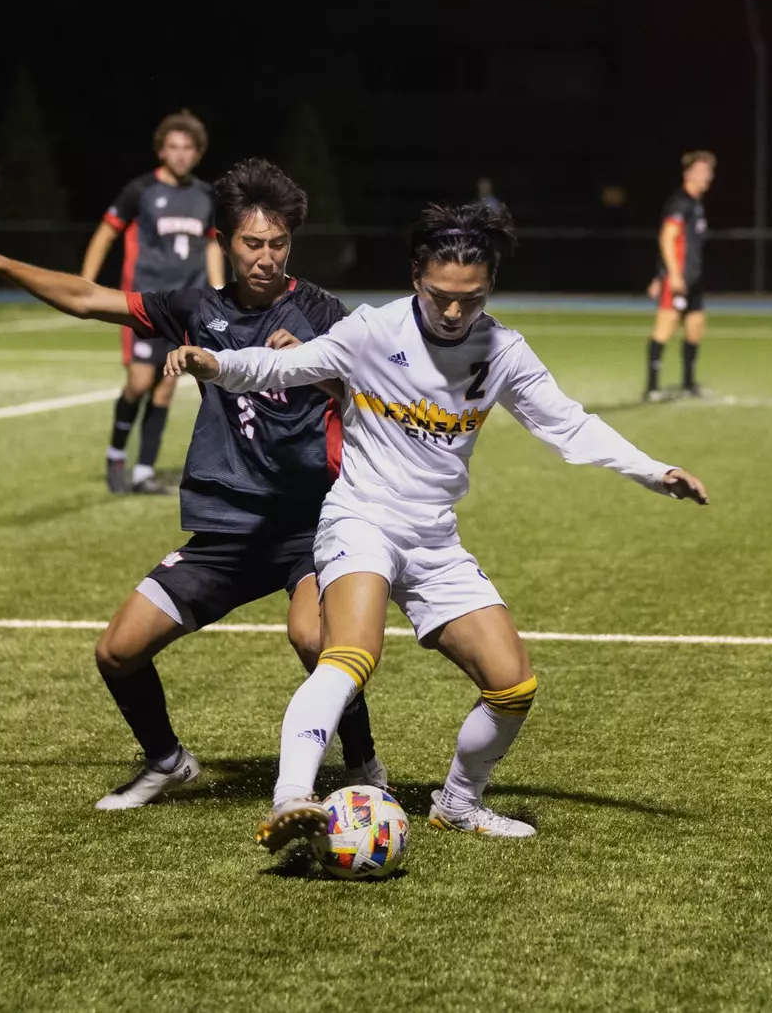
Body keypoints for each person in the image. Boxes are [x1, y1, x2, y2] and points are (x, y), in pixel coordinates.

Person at [166, 202, 710, 847]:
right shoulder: (373, 330)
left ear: (490, 288)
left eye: (470, 299)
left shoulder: (503, 349)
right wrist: (217, 366)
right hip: (361, 518)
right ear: (415, 277)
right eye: (439, 296)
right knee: (349, 656)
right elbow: (284, 367)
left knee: (512, 686)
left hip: (433, 537)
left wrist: (655, 470)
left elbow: (567, 424)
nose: (453, 312)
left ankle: (458, 802)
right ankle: (292, 799)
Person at [0, 158, 384, 809]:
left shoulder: (323, 312)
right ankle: (167, 761)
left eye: (278, 243)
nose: (266, 257)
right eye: (253, 243)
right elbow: (88, 300)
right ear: (224, 241)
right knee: (117, 651)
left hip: (309, 526)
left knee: (314, 639)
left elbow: (380, 396)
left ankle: (363, 762)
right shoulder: (196, 309)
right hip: (226, 529)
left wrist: (318, 371)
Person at [80, 111, 226, 495]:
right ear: (162, 150)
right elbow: (106, 232)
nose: (180, 155)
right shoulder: (140, 190)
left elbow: (212, 244)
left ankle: (144, 471)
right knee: (139, 381)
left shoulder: (206, 196)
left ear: (198, 153)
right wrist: (86, 282)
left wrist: (219, 292)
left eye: (188, 148)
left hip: (187, 307)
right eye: (173, 147)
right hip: (145, 304)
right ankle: (116, 453)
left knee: (165, 388)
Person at [644, 150, 716, 402]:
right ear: (687, 173)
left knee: (695, 328)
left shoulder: (696, 204)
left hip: (694, 279)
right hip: (678, 280)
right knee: (664, 329)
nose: (706, 176)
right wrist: (671, 275)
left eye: (708, 171)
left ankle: (688, 384)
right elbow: (667, 238)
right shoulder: (680, 202)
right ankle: (651, 388)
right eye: (701, 171)